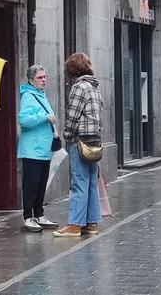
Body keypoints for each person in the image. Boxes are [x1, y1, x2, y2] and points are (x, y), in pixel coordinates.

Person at [54, 53, 104, 238]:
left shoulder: (79, 88)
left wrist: (67, 136)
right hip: (94, 141)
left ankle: (75, 225)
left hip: (80, 140)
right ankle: (91, 222)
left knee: (79, 182)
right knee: (91, 181)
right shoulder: (94, 87)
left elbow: (73, 116)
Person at [18, 65, 58, 232]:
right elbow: (24, 120)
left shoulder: (41, 95)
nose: (43, 80)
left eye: (45, 76)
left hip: (43, 149)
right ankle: (28, 217)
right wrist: (44, 117)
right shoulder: (28, 96)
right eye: (40, 78)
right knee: (31, 184)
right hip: (32, 149)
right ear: (31, 80)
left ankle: (39, 214)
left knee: (41, 184)